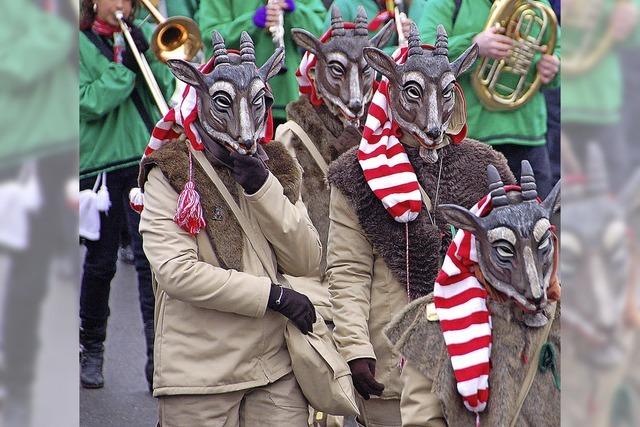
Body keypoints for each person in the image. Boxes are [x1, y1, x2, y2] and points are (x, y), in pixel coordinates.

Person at [325, 25, 513, 427]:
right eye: (414, 92)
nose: (431, 115)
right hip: (394, 364)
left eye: (443, 93)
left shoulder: (487, 168)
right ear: (390, 90)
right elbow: (348, 270)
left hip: (473, 362)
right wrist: (356, 349)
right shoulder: (355, 175)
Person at [138, 31, 322, 426]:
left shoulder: (278, 165)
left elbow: (306, 258)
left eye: (255, 105)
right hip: (200, 376)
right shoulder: (172, 172)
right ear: (200, 99)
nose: (244, 127)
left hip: (275, 370)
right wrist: (274, 297)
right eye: (224, 103)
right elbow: (176, 272)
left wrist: (263, 188)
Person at [386, 166, 561, 426]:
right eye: (505, 250)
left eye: (540, 246)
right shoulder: (437, 326)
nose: (534, 287)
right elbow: (422, 419)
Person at [276, 5, 393, 324]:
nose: (356, 95)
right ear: (315, 72)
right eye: (339, 71)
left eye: (365, 72)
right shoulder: (293, 137)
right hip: (321, 292)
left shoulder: (387, 130)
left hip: (379, 292)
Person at [79, 0, 174, 391]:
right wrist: (124, 71)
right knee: (101, 265)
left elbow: (162, 97)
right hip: (99, 168)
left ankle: (159, 362)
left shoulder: (139, 38)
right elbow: (85, 101)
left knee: (149, 265)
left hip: (142, 164)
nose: (122, 5)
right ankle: (92, 349)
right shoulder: (77, 43)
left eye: (129, 0)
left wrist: (155, 62)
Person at [421, 0, 560, 198]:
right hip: (469, 140)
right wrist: (474, 45)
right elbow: (424, 52)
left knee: (539, 223)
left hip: (528, 137)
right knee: (473, 225)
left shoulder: (537, 4)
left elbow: (558, 48)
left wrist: (554, 65)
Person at [198, 0, 327, 124]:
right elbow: (210, 35)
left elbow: (322, 33)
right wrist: (250, 23)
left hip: (288, 96)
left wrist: (296, 11)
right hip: (235, 104)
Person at [324, 0, 429, 53]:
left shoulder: (409, 4)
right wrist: (399, 52)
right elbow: (330, 54)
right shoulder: (343, 5)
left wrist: (412, 34)